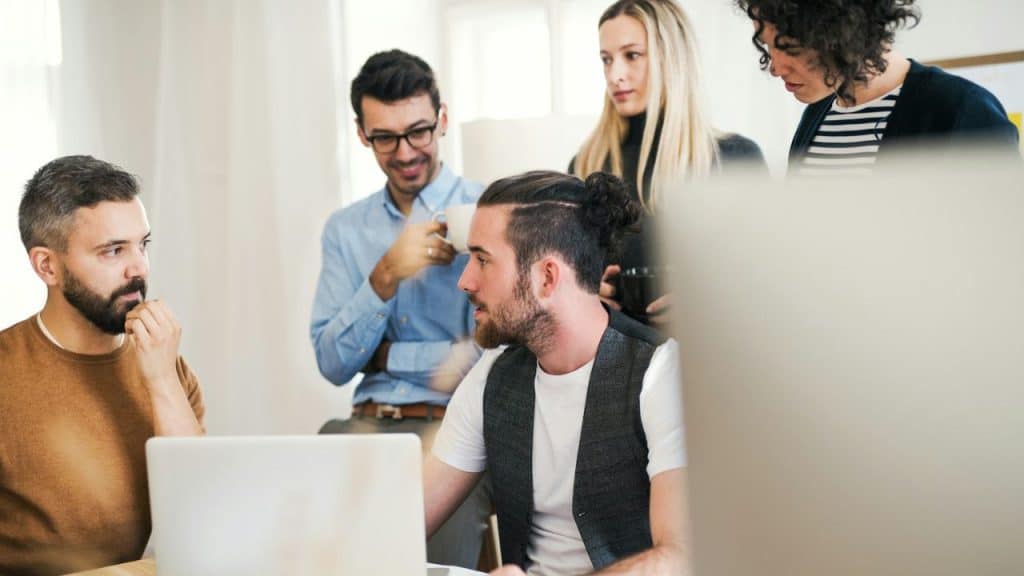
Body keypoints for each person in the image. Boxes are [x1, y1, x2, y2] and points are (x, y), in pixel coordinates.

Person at [425, 171, 689, 575]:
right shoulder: (492, 376)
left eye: (482, 260)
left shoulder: (661, 374)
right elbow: (407, 516)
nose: (465, 281)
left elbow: (679, 559)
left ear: (547, 277)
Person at [310, 49, 489, 568]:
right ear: (362, 134)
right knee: (305, 553)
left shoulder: (491, 210)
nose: (406, 151)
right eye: (385, 137)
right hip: (361, 429)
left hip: (451, 432)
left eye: (419, 132)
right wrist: (384, 275)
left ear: (443, 120)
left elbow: (489, 357)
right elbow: (332, 362)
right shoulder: (346, 230)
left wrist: (388, 358)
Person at [0, 155, 205, 576]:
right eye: (113, 251)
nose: (139, 269)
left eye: (142, 244)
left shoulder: (165, 362)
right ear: (47, 265)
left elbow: (199, 514)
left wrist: (162, 380)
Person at [571, 0, 765, 325]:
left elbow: (765, 278)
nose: (615, 75)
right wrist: (586, 288)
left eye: (632, 55)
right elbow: (569, 273)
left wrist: (709, 295)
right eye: (607, 60)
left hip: (706, 354)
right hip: (615, 358)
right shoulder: (586, 164)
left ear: (671, 59)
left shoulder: (735, 158)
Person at [736, 0, 1020, 176]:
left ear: (843, 32)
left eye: (791, 48)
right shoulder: (816, 115)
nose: (775, 67)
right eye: (768, 45)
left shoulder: (962, 110)